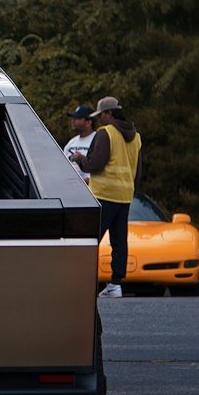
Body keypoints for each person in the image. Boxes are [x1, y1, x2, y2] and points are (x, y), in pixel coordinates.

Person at [70, 95, 142, 298]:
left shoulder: (106, 133)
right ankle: (115, 284)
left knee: (91, 239)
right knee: (119, 241)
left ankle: (82, 282)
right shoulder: (136, 136)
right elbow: (138, 169)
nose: (99, 118)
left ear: (110, 113)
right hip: (124, 196)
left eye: (101, 114)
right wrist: (131, 190)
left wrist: (80, 159)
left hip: (103, 194)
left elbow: (96, 164)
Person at [63, 105, 95, 171]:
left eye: (77, 118)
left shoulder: (97, 140)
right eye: (73, 118)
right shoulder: (71, 143)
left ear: (88, 123)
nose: (73, 121)